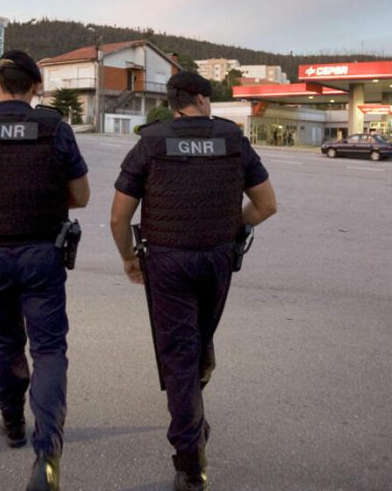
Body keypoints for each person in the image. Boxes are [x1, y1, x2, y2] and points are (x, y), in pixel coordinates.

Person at [110, 70, 277, 491]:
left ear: (172, 103)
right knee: (195, 343)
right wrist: (230, 222)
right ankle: (195, 394)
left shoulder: (151, 141)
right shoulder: (232, 140)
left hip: (167, 263)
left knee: (179, 356)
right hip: (218, 259)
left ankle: (189, 461)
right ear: (202, 99)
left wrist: (129, 258)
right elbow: (266, 205)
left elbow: (118, 216)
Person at [0, 50, 90, 491]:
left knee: (5, 342)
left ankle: (11, 422)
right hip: (43, 254)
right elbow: (80, 196)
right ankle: (47, 453)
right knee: (48, 351)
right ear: (36, 86)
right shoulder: (54, 128)